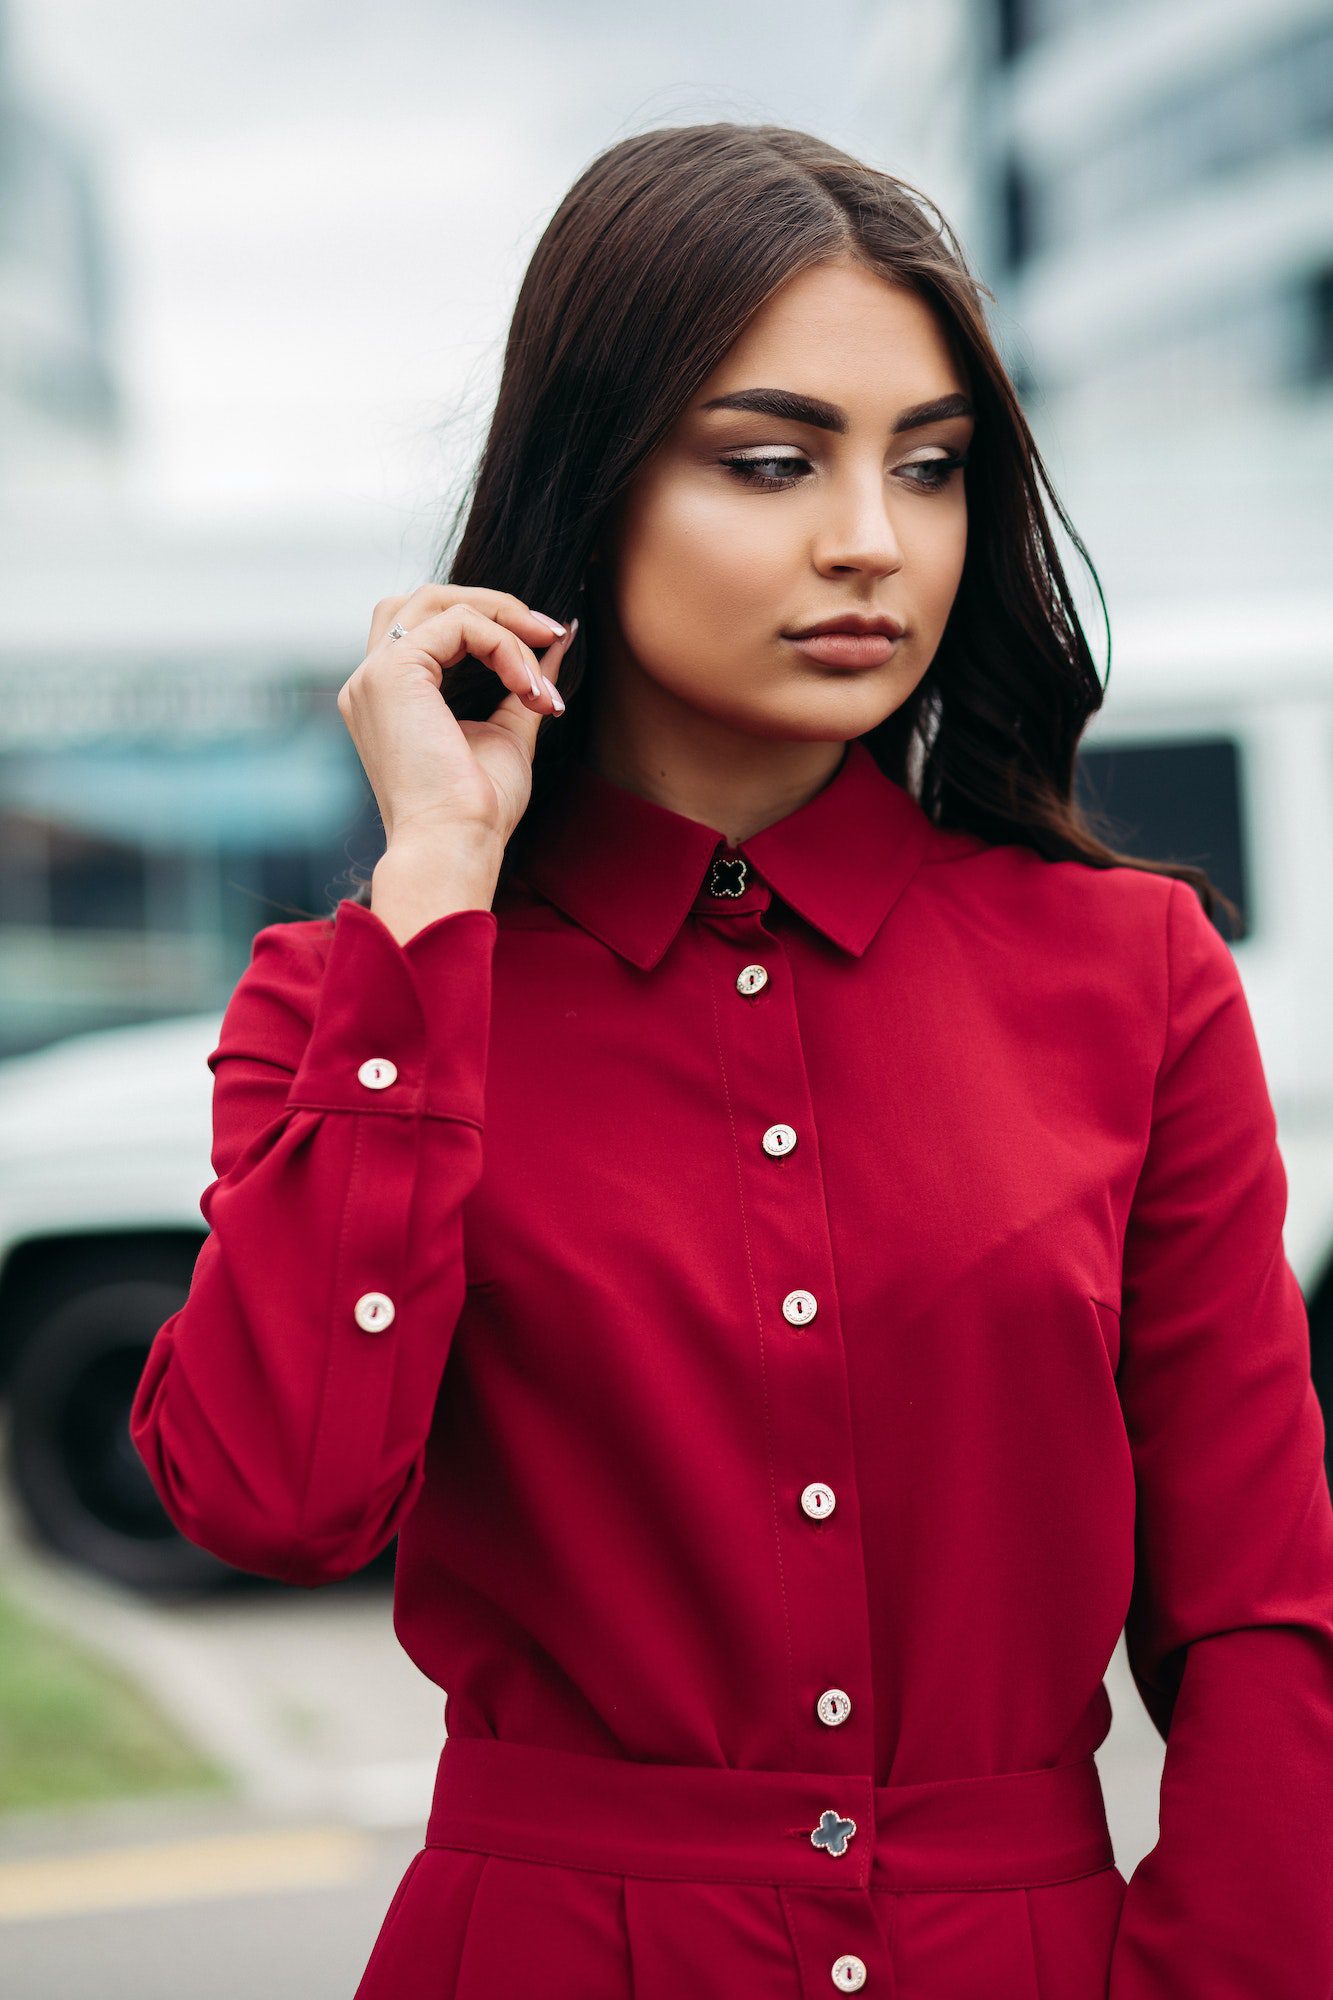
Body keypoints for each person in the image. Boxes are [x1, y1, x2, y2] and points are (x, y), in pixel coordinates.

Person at [129, 121, 1333, 1998]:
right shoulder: (355, 997)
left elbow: (1263, 1609)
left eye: (928, 469)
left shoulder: (1130, 976)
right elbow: (272, 1502)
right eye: (769, 462)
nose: (869, 539)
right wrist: (435, 886)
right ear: (591, 484)